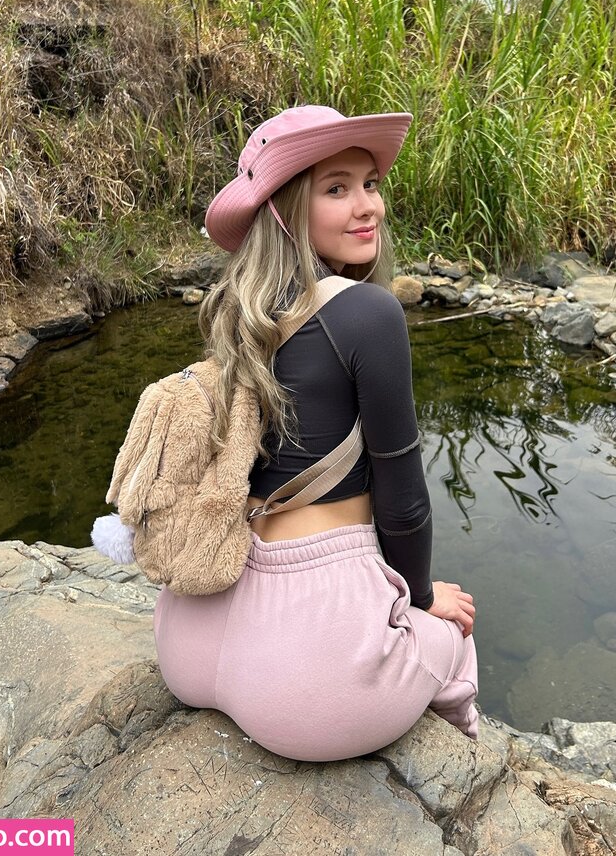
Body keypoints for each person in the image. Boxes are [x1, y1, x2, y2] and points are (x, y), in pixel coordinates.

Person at [152, 104, 478, 761]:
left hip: (189, 635)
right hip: (310, 680)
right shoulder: (369, 313)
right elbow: (404, 503)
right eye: (336, 189)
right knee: (458, 627)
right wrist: (419, 599)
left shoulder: (242, 315)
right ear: (285, 210)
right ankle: (466, 752)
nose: (367, 207)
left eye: (371, 184)